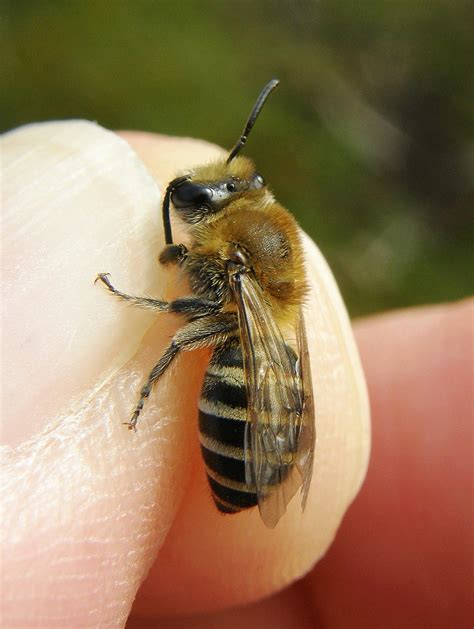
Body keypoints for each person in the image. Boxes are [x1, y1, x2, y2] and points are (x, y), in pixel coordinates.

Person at [1, 122, 471, 628]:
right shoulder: (260, 248)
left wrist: (136, 305)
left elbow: (187, 321)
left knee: (182, 336)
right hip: (263, 393)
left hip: (247, 408)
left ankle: (141, 391)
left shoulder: (237, 255)